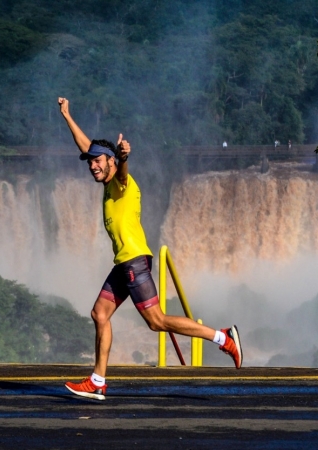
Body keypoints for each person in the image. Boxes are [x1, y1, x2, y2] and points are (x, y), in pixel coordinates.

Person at [58, 97, 243, 401]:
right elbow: (85, 145)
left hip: (134, 263)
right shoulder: (107, 183)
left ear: (111, 161)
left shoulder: (121, 183)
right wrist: (67, 115)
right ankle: (98, 380)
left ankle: (223, 338)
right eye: (90, 162)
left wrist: (124, 156)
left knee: (157, 321)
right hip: (124, 263)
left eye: (97, 161)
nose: (91, 165)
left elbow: (122, 172)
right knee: (99, 313)